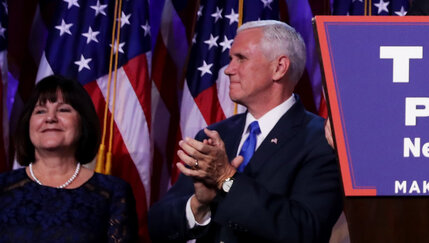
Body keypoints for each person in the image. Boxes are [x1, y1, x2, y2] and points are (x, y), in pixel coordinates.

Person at [148, 20, 343, 243]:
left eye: (241, 58)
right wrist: (198, 205)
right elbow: (157, 224)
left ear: (279, 67)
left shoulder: (323, 140)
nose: (228, 69)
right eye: (231, 59)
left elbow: (304, 230)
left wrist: (226, 179)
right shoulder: (213, 136)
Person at [0, 75, 137, 242]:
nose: (50, 118)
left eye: (63, 109)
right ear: (28, 124)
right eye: (40, 111)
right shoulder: (3, 188)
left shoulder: (112, 193)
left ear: (83, 123)